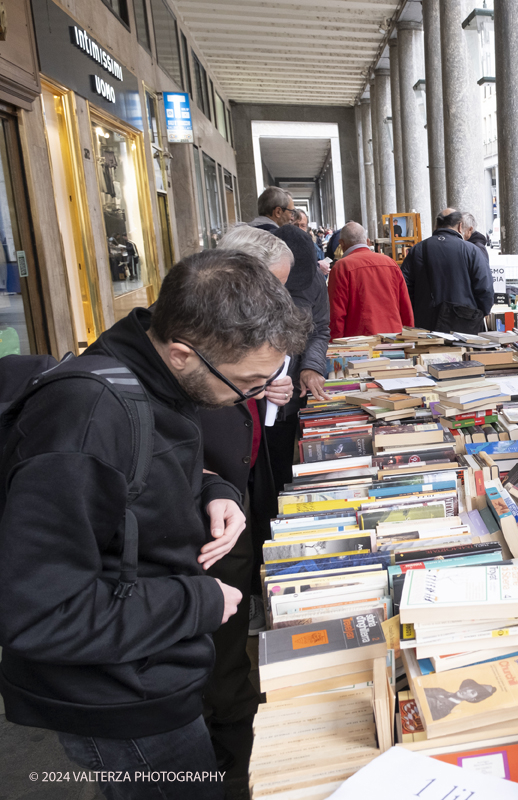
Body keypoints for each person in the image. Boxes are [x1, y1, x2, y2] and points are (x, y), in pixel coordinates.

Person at [0, 250, 311, 800]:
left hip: (153, 662)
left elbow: (144, 476)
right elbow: (39, 611)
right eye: (247, 384)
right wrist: (198, 604)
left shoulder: (156, 377)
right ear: (182, 353)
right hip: (117, 695)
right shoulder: (84, 424)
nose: (252, 398)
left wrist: (212, 490)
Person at [199, 226, 296, 799]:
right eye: (272, 288)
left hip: (233, 487)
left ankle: (233, 728)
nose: (277, 302)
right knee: (222, 639)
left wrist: (268, 391)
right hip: (208, 528)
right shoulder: (192, 349)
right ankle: (228, 753)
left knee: (231, 635)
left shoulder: (229, 336)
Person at [263, 224, 331, 496]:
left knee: (279, 470)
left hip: (289, 396)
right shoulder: (255, 279)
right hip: (252, 393)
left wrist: (311, 366)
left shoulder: (315, 280)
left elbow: (320, 329)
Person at [400, 208, 493, 333]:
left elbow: (404, 286)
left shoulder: (418, 250)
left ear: (436, 225)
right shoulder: (472, 250)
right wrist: (479, 313)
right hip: (464, 323)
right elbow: (485, 288)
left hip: (426, 324)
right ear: (460, 226)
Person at [328, 221, 414, 339]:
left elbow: (336, 314)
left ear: (341, 243)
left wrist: (335, 345)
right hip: (394, 338)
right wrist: (409, 338)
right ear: (367, 241)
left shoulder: (341, 267)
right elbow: (405, 305)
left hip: (358, 343)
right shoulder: (390, 263)